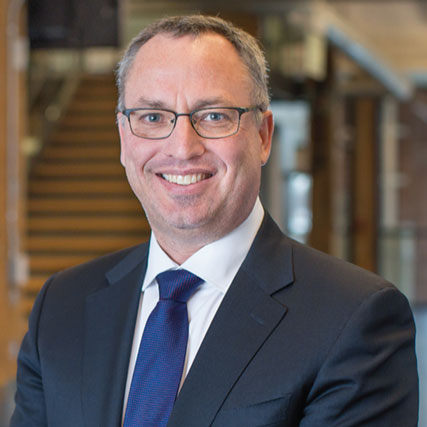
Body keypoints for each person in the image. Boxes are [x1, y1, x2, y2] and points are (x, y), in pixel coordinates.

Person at [11, 15, 418, 427]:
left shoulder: (354, 318)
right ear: (123, 137)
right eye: (152, 117)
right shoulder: (61, 307)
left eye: (214, 116)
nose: (182, 148)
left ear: (263, 136)